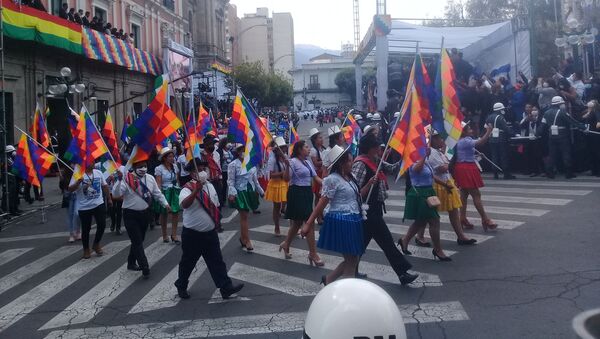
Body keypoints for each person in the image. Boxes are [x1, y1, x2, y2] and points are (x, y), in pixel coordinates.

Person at [352, 134, 418, 285]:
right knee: (387, 242)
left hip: (375, 208)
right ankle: (402, 272)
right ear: (369, 148)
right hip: (367, 210)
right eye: (376, 147)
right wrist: (369, 184)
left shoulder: (375, 160)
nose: (379, 149)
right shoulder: (361, 164)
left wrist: (406, 157)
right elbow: (354, 190)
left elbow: (393, 168)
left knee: (360, 244)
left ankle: (348, 271)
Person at [175, 158, 244, 299]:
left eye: (203, 169)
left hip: (210, 233)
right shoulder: (186, 188)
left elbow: (215, 205)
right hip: (192, 234)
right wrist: (195, 192)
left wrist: (216, 224)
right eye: (198, 170)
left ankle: (226, 287)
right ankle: (181, 285)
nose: (202, 172)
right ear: (192, 173)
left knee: (217, 261)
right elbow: (184, 205)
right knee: (188, 262)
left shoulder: (210, 186)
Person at [303, 145, 364, 285]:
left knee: (353, 258)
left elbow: (357, 196)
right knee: (351, 259)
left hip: (354, 219)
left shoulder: (351, 177)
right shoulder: (333, 179)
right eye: (349, 161)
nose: (352, 163)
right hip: (341, 221)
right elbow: (322, 202)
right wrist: (308, 223)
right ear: (342, 163)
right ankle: (348, 289)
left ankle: (329, 280)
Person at [112, 160, 170, 277]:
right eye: (140, 166)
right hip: (130, 215)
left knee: (139, 239)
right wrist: (118, 180)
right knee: (137, 241)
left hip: (145, 214)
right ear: (133, 167)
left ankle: (131, 262)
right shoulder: (126, 179)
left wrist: (165, 203)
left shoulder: (150, 178)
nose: (143, 168)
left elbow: (157, 193)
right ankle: (145, 266)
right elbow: (116, 194)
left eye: (145, 166)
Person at [398, 149, 451, 261]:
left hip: (428, 192)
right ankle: (438, 250)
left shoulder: (424, 160)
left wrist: (445, 185)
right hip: (419, 194)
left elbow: (431, 176)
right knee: (434, 220)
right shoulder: (411, 159)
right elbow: (417, 169)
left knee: (421, 221)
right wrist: (423, 156)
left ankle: (405, 240)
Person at [427, 131, 476, 245]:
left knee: (454, 211)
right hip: (439, 185)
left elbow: (445, 165)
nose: (442, 141)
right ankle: (418, 236)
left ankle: (461, 236)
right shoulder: (432, 153)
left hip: (446, 183)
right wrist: (453, 162)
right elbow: (442, 168)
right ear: (433, 140)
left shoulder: (438, 152)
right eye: (440, 139)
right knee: (429, 215)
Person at [279, 140, 324, 266]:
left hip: (306, 193)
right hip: (296, 192)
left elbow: (316, 178)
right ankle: (313, 253)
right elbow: (286, 179)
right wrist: (287, 166)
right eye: (305, 147)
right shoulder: (292, 162)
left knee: (298, 223)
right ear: (299, 149)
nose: (308, 148)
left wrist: (328, 184)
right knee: (309, 223)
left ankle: (286, 243)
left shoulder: (308, 162)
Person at [452, 122, 497, 231]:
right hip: (467, 168)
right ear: (464, 131)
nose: (471, 130)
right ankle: (485, 219)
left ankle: (462, 218)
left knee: (464, 194)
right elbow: (481, 142)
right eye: (469, 129)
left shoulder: (459, 141)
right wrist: (489, 131)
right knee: (476, 194)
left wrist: (477, 155)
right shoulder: (466, 140)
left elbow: (466, 153)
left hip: (462, 167)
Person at [68, 163, 112, 259]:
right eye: (89, 162)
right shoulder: (77, 174)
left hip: (98, 204)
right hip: (84, 207)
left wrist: (109, 199)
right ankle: (86, 249)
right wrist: (78, 182)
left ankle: (96, 244)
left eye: (93, 161)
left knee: (102, 225)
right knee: (86, 229)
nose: (92, 164)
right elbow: (70, 189)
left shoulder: (98, 173)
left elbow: (104, 186)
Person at [539, 96, 587, 179]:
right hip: (562, 135)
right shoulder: (562, 112)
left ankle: (549, 173)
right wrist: (583, 127)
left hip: (551, 135)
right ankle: (568, 173)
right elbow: (572, 122)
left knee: (552, 154)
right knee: (566, 153)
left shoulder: (546, 113)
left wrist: (537, 133)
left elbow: (542, 125)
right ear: (559, 104)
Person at [228, 144, 263, 251]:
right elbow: (230, 181)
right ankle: (247, 240)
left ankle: (243, 238)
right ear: (237, 152)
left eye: (245, 150)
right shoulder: (233, 165)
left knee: (245, 216)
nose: (243, 152)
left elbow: (255, 180)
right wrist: (232, 193)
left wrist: (261, 191)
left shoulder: (251, 164)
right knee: (244, 216)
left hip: (250, 192)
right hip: (240, 192)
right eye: (241, 150)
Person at [153, 147, 181, 243]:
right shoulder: (159, 169)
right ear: (164, 158)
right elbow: (159, 183)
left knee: (175, 212)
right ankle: (164, 234)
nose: (172, 158)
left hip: (174, 191)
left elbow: (177, 180)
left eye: (173, 156)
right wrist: (159, 195)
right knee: (164, 214)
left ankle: (174, 234)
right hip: (165, 192)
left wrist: (178, 190)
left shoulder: (175, 167)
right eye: (170, 156)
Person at [265, 137, 289, 236]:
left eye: (284, 147)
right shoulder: (272, 159)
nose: (283, 150)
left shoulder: (285, 157)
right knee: (276, 207)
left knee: (288, 203)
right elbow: (270, 175)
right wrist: (281, 173)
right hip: (276, 184)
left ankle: (292, 226)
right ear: (276, 149)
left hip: (285, 183)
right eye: (281, 148)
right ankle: (277, 227)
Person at [485, 102, 515, 180]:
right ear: (500, 110)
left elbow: (486, 127)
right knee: (503, 156)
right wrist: (513, 133)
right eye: (503, 109)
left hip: (492, 139)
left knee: (494, 156)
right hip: (501, 139)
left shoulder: (489, 117)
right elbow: (506, 128)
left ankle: (495, 174)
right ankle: (506, 174)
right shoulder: (500, 117)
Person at [519, 106, 544, 176]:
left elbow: (543, 127)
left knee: (539, 155)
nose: (533, 111)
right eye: (532, 110)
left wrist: (535, 121)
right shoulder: (528, 118)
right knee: (531, 155)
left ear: (538, 111)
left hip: (539, 139)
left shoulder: (541, 118)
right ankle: (534, 171)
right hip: (529, 139)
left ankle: (542, 170)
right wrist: (527, 119)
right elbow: (521, 126)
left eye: (535, 110)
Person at [59, 165, 80, 243]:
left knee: (77, 213)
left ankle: (78, 231)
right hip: (69, 197)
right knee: (70, 215)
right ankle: (71, 234)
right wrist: (61, 180)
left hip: (77, 195)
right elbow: (62, 187)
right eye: (71, 163)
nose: (73, 165)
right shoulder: (65, 173)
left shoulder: (78, 171)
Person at [309, 128, 325, 224]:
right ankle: (318, 217)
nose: (322, 139)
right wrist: (326, 161)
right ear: (314, 140)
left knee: (323, 196)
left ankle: (321, 214)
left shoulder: (322, 148)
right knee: (318, 196)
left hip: (323, 174)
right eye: (319, 138)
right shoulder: (313, 150)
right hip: (317, 175)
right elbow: (315, 163)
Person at [582, 100, 600, 176]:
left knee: (596, 153)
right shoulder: (589, 112)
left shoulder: (595, 112)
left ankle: (597, 171)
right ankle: (594, 170)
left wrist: (597, 126)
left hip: (594, 135)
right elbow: (583, 117)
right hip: (590, 135)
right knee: (592, 153)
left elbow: (598, 123)